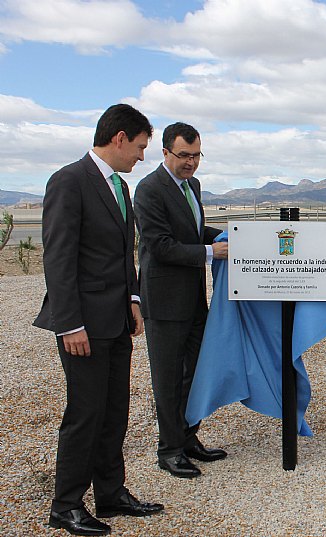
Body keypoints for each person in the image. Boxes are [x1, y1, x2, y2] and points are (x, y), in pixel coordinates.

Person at [34, 104, 164, 536]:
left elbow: (124, 253)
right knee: (85, 414)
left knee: (114, 412)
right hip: (84, 326)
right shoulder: (70, 181)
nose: (141, 156)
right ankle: (66, 505)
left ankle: (111, 494)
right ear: (119, 138)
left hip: (117, 321)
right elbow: (59, 258)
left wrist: (133, 299)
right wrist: (69, 324)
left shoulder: (120, 187)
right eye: (140, 147)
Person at [134, 122, 228, 479]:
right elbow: (160, 245)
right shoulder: (149, 189)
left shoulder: (193, 186)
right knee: (169, 380)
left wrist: (229, 235)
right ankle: (169, 450)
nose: (191, 162)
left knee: (196, 374)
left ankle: (189, 440)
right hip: (164, 302)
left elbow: (192, 231)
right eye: (184, 155)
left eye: (196, 155)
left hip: (193, 300)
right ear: (165, 153)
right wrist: (211, 252)